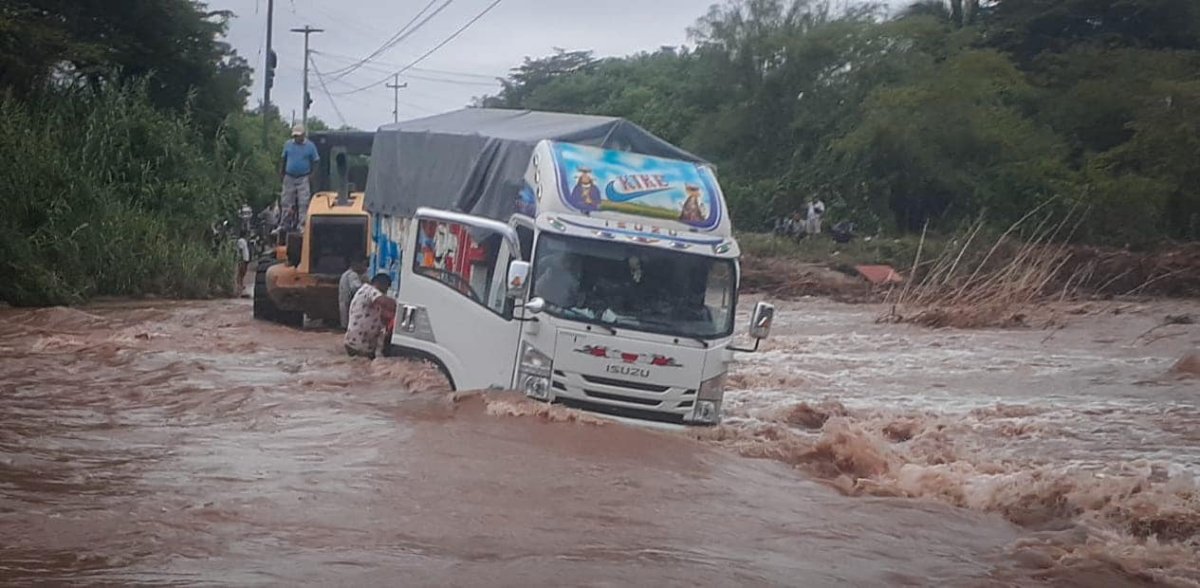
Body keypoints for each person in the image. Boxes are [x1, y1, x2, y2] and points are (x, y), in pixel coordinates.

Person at [344, 273, 397, 360]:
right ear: (381, 284)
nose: (386, 291)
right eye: (386, 288)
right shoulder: (369, 290)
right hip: (359, 344)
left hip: (358, 343)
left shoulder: (368, 294)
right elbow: (388, 303)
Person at [280, 125, 320, 232]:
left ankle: (302, 225)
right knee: (286, 201)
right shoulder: (288, 144)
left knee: (303, 201)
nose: (296, 138)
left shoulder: (310, 146)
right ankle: (285, 224)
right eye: (295, 136)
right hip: (289, 176)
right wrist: (282, 173)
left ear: (303, 135)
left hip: (303, 177)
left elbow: (316, 161)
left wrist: (312, 175)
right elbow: (283, 159)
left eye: (298, 135)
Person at [338, 257, 368, 330]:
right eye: (363, 265)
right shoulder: (352, 275)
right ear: (356, 264)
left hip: (344, 302)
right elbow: (356, 288)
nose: (365, 267)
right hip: (349, 303)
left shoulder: (346, 274)